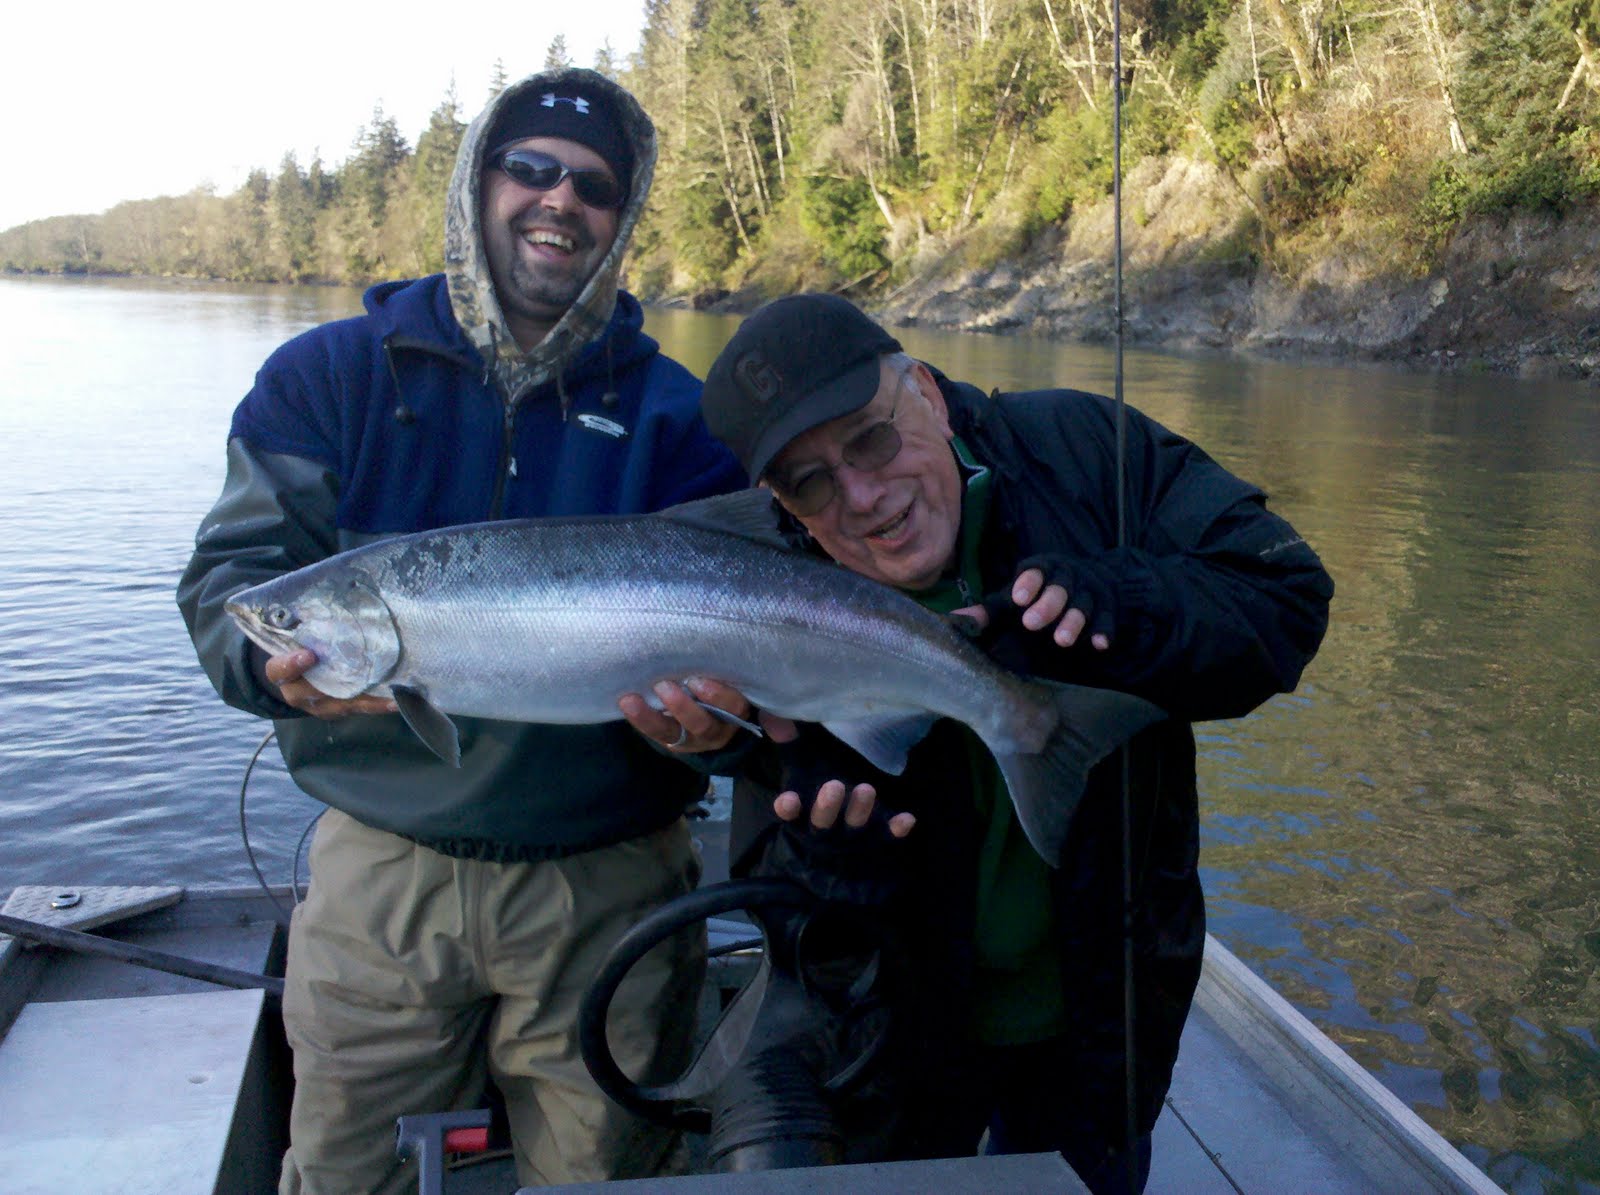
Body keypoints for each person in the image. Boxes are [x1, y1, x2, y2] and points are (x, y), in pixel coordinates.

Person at [177, 69, 745, 1194]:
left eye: (593, 185)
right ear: (478, 183)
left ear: (621, 216)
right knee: (345, 1174)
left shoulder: (681, 418)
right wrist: (267, 662)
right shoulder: (327, 378)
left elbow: (749, 667)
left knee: (608, 1176)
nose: (559, 199)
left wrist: (721, 732)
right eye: (530, 168)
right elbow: (231, 583)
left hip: (614, 884)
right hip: (381, 881)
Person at [632, 293, 1333, 1192]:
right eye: (809, 483)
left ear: (926, 392)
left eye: (870, 440)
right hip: (895, 1041)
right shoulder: (744, 574)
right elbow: (792, 894)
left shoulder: (1083, 449)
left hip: (1106, 1024)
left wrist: (1125, 602)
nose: (862, 497)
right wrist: (813, 845)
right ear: (780, 503)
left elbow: (1286, 597)